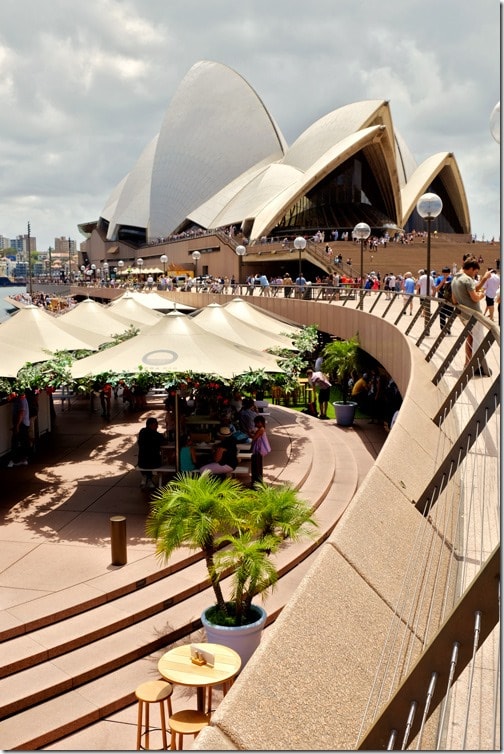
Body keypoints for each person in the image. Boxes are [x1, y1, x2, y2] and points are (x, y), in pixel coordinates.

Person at [451, 258, 492, 375]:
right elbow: (474, 298)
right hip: (474, 315)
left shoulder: (455, 279)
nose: (475, 275)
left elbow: (454, 300)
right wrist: (481, 295)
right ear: (471, 269)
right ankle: (475, 367)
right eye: (475, 272)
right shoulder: (467, 280)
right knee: (478, 341)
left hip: (464, 315)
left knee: (471, 340)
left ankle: (470, 365)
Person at [137, 417, 164, 489]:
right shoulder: (155, 434)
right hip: (154, 463)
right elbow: (163, 440)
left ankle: (146, 478)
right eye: (155, 425)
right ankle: (149, 479)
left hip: (141, 462)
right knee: (154, 459)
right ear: (150, 425)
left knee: (146, 459)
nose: (157, 426)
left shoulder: (142, 432)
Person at [8, 391, 31, 467]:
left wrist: (17, 425)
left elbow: (21, 413)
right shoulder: (21, 399)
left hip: (22, 424)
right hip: (23, 423)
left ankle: (15, 460)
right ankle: (23, 459)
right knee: (23, 441)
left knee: (15, 441)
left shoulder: (21, 400)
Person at [250, 415, 271, 487]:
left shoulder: (261, 429)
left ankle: (256, 482)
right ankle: (257, 481)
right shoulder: (261, 429)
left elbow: (254, 438)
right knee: (257, 466)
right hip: (258, 451)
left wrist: (249, 433)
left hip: (258, 451)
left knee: (256, 466)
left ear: (260, 423)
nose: (255, 425)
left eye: (256, 423)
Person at [434, 266, 453, 334]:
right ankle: (443, 329)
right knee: (442, 314)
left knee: (450, 315)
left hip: (450, 299)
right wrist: (442, 282)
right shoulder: (439, 279)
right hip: (441, 298)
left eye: (447, 273)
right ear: (442, 273)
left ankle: (448, 327)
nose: (445, 275)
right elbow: (436, 289)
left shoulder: (452, 279)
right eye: (444, 273)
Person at [415, 269, 435, 333]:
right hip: (429, 295)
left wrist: (417, 292)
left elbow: (418, 285)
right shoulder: (431, 278)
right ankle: (426, 315)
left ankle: (425, 314)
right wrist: (434, 294)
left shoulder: (421, 277)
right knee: (428, 306)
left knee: (422, 305)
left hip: (422, 294)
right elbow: (433, 287)